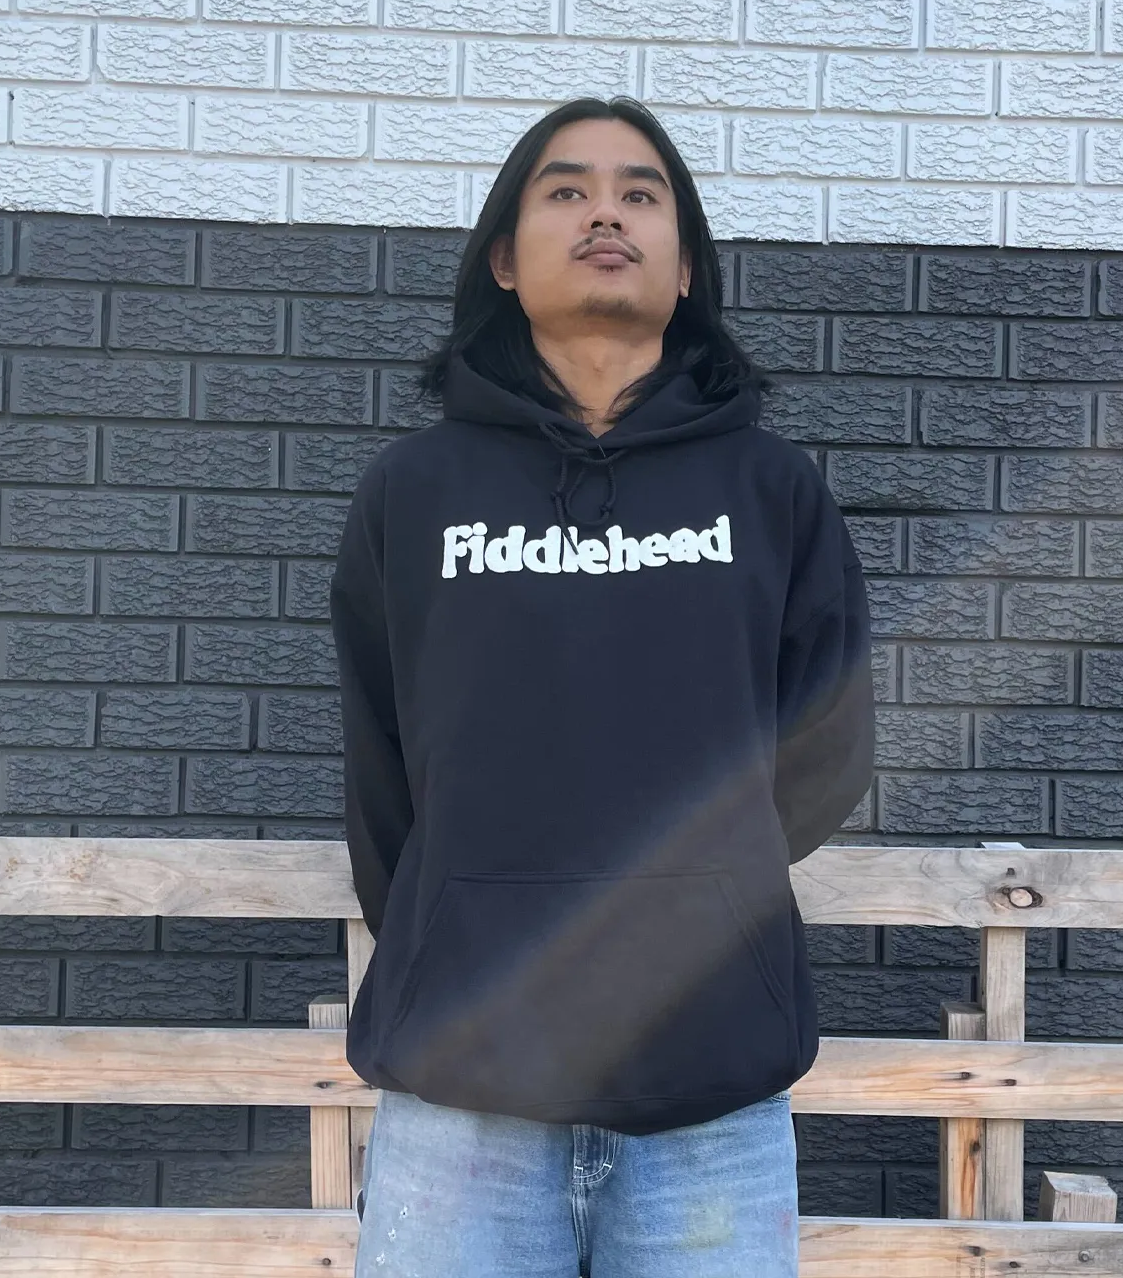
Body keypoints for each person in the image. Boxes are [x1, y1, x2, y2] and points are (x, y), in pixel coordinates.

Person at [329, 95, 875, 1278]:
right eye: (565, 190)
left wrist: (694, 897)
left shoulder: (771, 489)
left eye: (639, 194)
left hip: (707, 1088)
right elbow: (382, 755)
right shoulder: (413, 491)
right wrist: (465, 916)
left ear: (684, 269)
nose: (604, 214)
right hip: (460, 1083)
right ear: (503, 259)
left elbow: (826, 749)